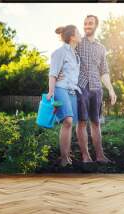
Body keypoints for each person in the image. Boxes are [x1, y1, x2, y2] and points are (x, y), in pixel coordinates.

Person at [76, 15, 117, 163]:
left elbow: (104, 71)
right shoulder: (78, 42)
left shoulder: (101, 48)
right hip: (81, 86)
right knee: (81, 121)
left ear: (96, 26)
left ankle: (100, 155)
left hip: (97, 88)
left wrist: (111, 90)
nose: (87, 25)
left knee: (96, 122)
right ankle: (86, 156)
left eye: (90, 23)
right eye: (85, 23)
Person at [47, 25, 82, 166]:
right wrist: (51, 92)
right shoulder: (60, 52)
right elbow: (53, 73)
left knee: (70, 124)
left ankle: (66, 155)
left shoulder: (76, 55)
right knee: (67, 121)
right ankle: (63, 158)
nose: (80, 35)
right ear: (72, 37)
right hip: (61, 88)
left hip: (72, 91)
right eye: (78, 33)